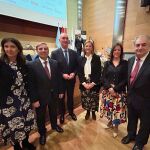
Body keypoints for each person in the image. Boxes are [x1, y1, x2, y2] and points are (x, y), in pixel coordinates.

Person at [0, 38, 36, 150]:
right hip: (9, 102)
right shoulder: (1, 64)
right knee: (14, 126)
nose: (9, 49)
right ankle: (16, 147)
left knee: (26, 122)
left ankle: (25, 143)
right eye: (6, 46)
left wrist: (33, 99)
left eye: (12, 46)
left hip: (24, 99)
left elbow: (29, 83)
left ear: (18, 49)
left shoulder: (23, 63)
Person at [28, 43, 64, 145]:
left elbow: (58, 79)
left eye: (45, 48)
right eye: (40, 49)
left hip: (54, 95)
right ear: (37, 50)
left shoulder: (55, 63)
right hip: (40, 97)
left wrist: (61, 91)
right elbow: (31, 84)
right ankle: (42, 133)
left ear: (48, 50)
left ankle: (54, 125)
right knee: (41, 116)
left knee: (53, 112)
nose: (43, 50)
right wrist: (34, 100)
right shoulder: (31, 65)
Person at [121, 35, 150, 150]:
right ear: (134, 46)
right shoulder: (131, 60)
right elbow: (129, 80)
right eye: (137, 45)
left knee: (145, 124)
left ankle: (140, 142)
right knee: (131, 119)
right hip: (131, 98)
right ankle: (131, 135)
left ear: (149, 46)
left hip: (146, 101)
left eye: (144, 45)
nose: (140, 47)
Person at [100, 43, 128, 138]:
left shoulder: (125, 63)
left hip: (119, 92)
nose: (117, 51)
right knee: (110, 109)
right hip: (108, 91)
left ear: (121, 52)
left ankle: (116, 127)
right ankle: (110, 122)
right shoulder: (107, 63)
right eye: (115, 50)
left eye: (119, 50)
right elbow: (103, 78)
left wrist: (115, 88)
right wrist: (109, 88)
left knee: (117, 111)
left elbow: (125, 79)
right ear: (112, 51)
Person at [51, 33, 78, 124]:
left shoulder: (74, 53)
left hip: (71, 80)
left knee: (70, 97)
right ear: (60, 40)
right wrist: (62, 74)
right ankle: (61, 114)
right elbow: (54, 68)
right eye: (63, 38)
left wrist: (74, 73)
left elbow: (76, 66)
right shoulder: (54, 53)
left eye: (67, 38)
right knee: (61, 99)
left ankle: (71, 112)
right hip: (60, 81)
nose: (65, 40)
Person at [78, 40, 101, 120]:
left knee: (93, 99)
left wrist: (93, 83)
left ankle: (93, 113)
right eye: (86, 46)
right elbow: (79, 72)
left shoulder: (96, 58)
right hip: (84, 83)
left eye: (90, 46)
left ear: (92, 48)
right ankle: (88, 112)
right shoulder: (80, 58)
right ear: (84, 48)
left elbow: (98, 72)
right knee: (86, 99)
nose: (88, 47)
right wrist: (84, 83)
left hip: (93, 82)